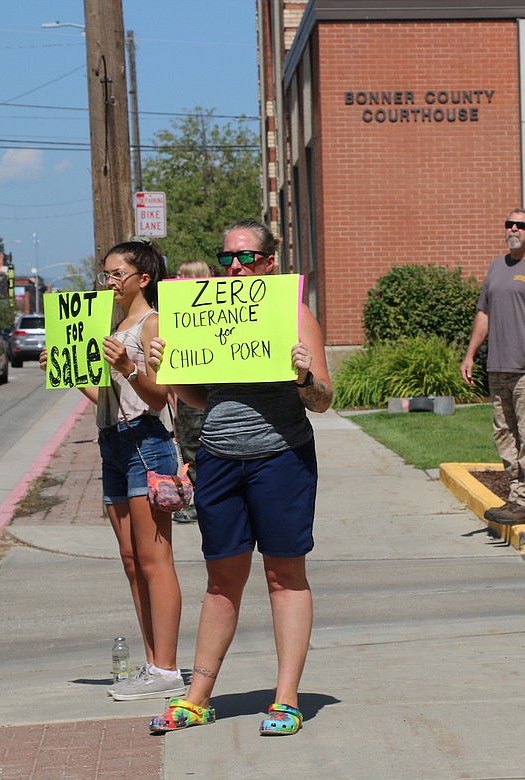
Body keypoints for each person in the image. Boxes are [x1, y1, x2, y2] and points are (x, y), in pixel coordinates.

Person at [146, 219, 333, 737]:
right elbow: (204, 400)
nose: (234, 266)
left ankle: (287, 699)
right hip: (219, 459)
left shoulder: (293, 314)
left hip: (281, 458)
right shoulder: (205, 316)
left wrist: (303, 377)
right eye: (228, 256)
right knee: (221, 579)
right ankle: (198, 698)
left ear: (270, 262)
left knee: (283, 575)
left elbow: (322, 399)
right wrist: (170, 369)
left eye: (246, 257)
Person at [40, 238, 186, 703]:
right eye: (104, 274)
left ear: (144, 278)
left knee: (153, 560)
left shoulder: (151, 323)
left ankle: (167, 667)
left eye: (116, 274)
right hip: (114, 442)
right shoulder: (113, 323)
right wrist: (71, 374)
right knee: (130, 562)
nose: (108, 282)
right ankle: (152, 663)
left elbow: (159, 397)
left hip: (147, 443)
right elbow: (108, 400)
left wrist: (126, 366)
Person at [460, 209, 525, 527]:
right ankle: (517, 496)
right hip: (498, 367)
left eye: (521, 225)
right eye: (509, 224)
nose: (514, 229)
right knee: (505, 434)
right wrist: (470, 355)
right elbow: (484, 314)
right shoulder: (496, 266)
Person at [168, 259, 214, 525]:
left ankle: (203, 503)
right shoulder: (178, 315)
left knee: (199, 451)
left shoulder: (206, 317)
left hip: (204, 396)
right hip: (185, 399)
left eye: (180, 276)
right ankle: (200, 500)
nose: (176, 279)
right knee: (187, 448)